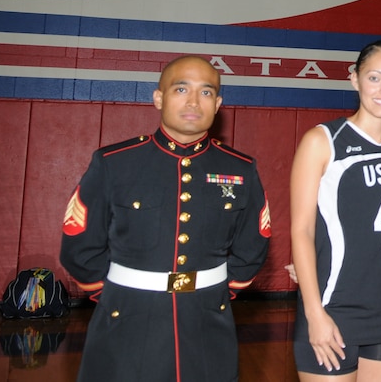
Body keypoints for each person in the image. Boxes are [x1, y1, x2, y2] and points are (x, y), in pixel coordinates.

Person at [60, 55, 271, 382]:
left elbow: (252, 245)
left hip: (206, 322)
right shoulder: (114, 163)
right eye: (181, 89)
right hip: (127, 318)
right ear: (158, 98)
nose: (193, 101)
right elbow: (80, 245)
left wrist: (215, 293)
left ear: (218, 104)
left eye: (205, 92)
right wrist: (117, 297)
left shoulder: (240, 169)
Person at [290, 40, 381, 381]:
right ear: (354, 79)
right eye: (374, 78)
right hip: (333, 309)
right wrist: (314, 314)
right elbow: (301, 230)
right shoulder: (323, 140)